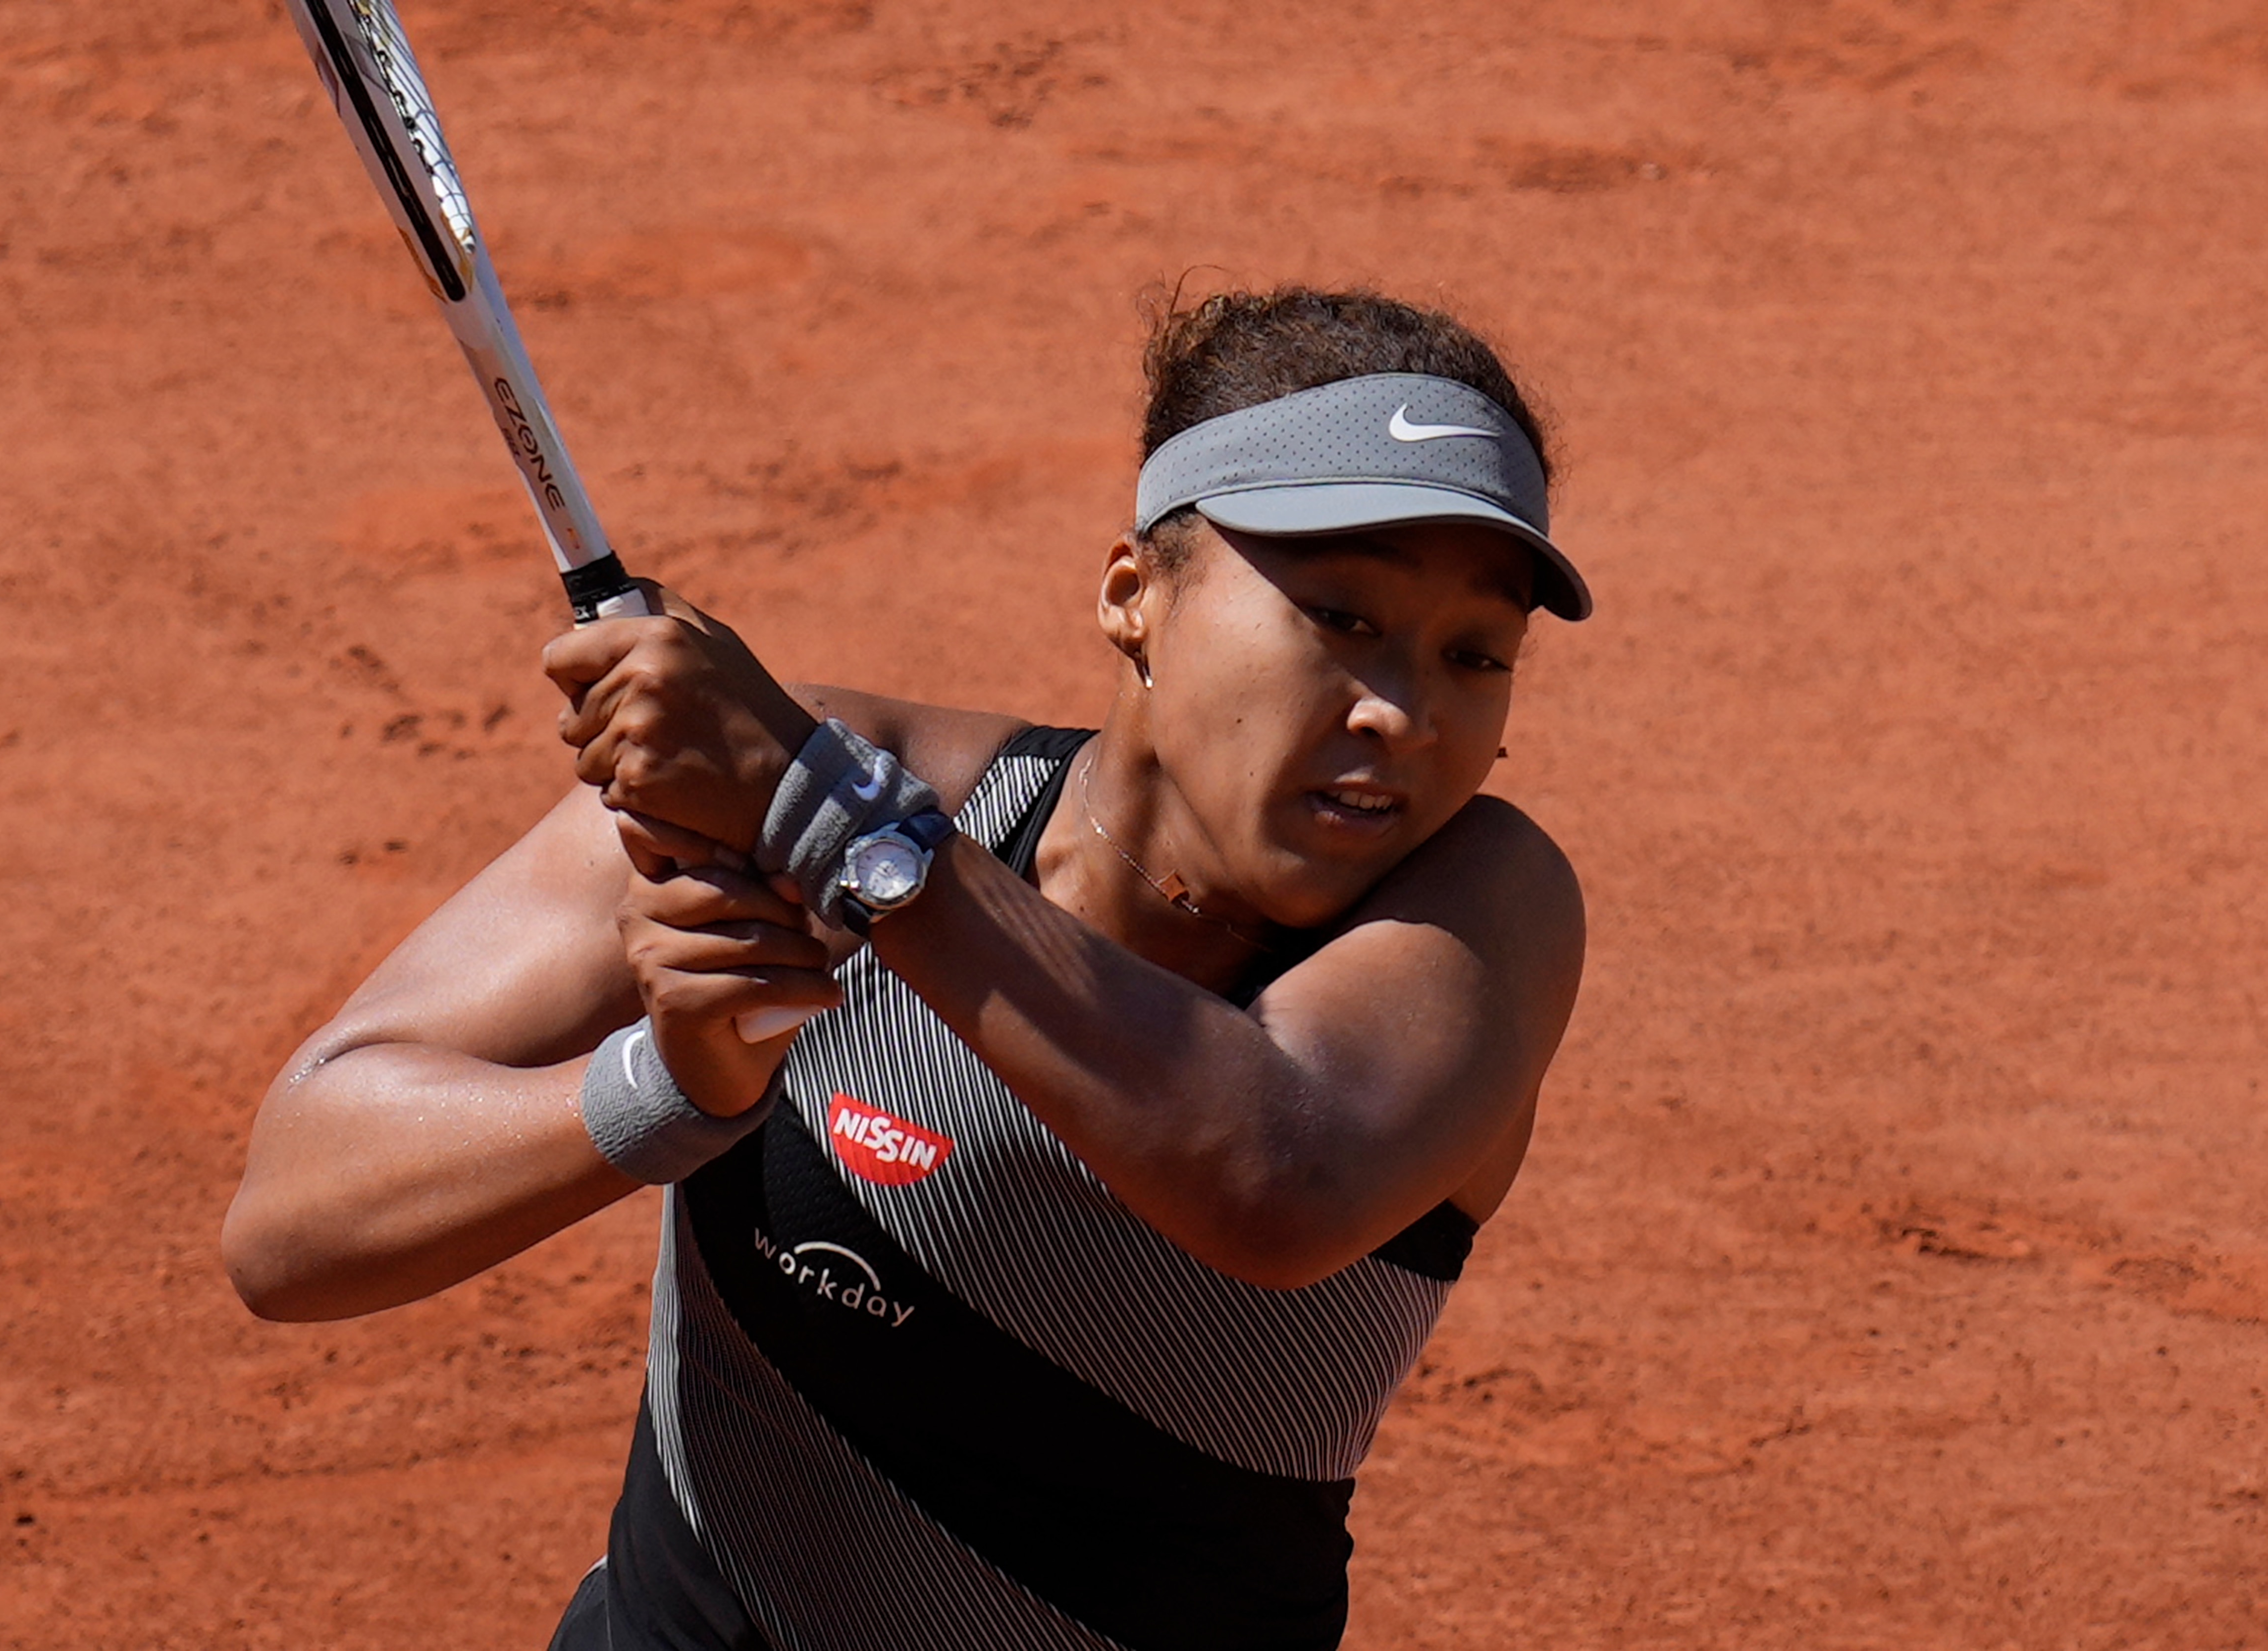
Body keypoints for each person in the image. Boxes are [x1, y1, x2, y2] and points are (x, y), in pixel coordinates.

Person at [222, 286, 1590, 1651]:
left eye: (1476, 655)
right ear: (1135, 596)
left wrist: (834, 823)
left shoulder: (1482, 917)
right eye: (1342, 616)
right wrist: (670, 1089)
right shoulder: (834, 781)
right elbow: (291, 1224)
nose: (1403, 712)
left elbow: (1281, 1179)